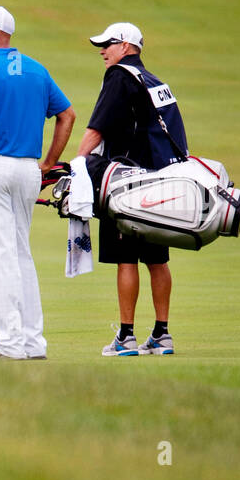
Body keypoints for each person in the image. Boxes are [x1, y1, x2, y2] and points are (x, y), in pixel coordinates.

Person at [0, 4, 76, 360]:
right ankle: (32, 342)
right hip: (28, 171)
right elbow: (67, 115)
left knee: (1, 256)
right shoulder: (38, 70)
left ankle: (10, 344)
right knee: (21, 254)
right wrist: (50, 163)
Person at [75, 22, 187, 356]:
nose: (102, 50)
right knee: (157, 259)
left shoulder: (120, 76)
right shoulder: (153, 80)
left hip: (126, 184)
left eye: (108, 44)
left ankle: (126, 337)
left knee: (126, 259)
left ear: (126, 46)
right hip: (161, 182)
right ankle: (162, 334)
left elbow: (98, 128)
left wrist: (78, 163)